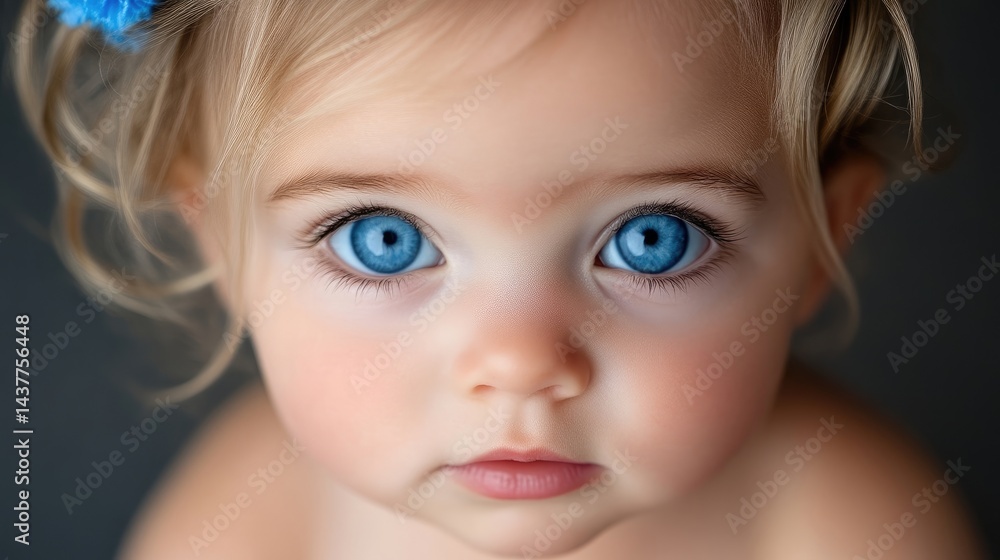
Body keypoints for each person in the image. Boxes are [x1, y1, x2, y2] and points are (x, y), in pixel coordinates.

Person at [11, 0, 986, 558]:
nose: (519, 363)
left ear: (822, 240)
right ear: (224, 249)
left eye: (653, 239)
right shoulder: (252, 518)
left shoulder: (847, 524)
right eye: (381, 238)